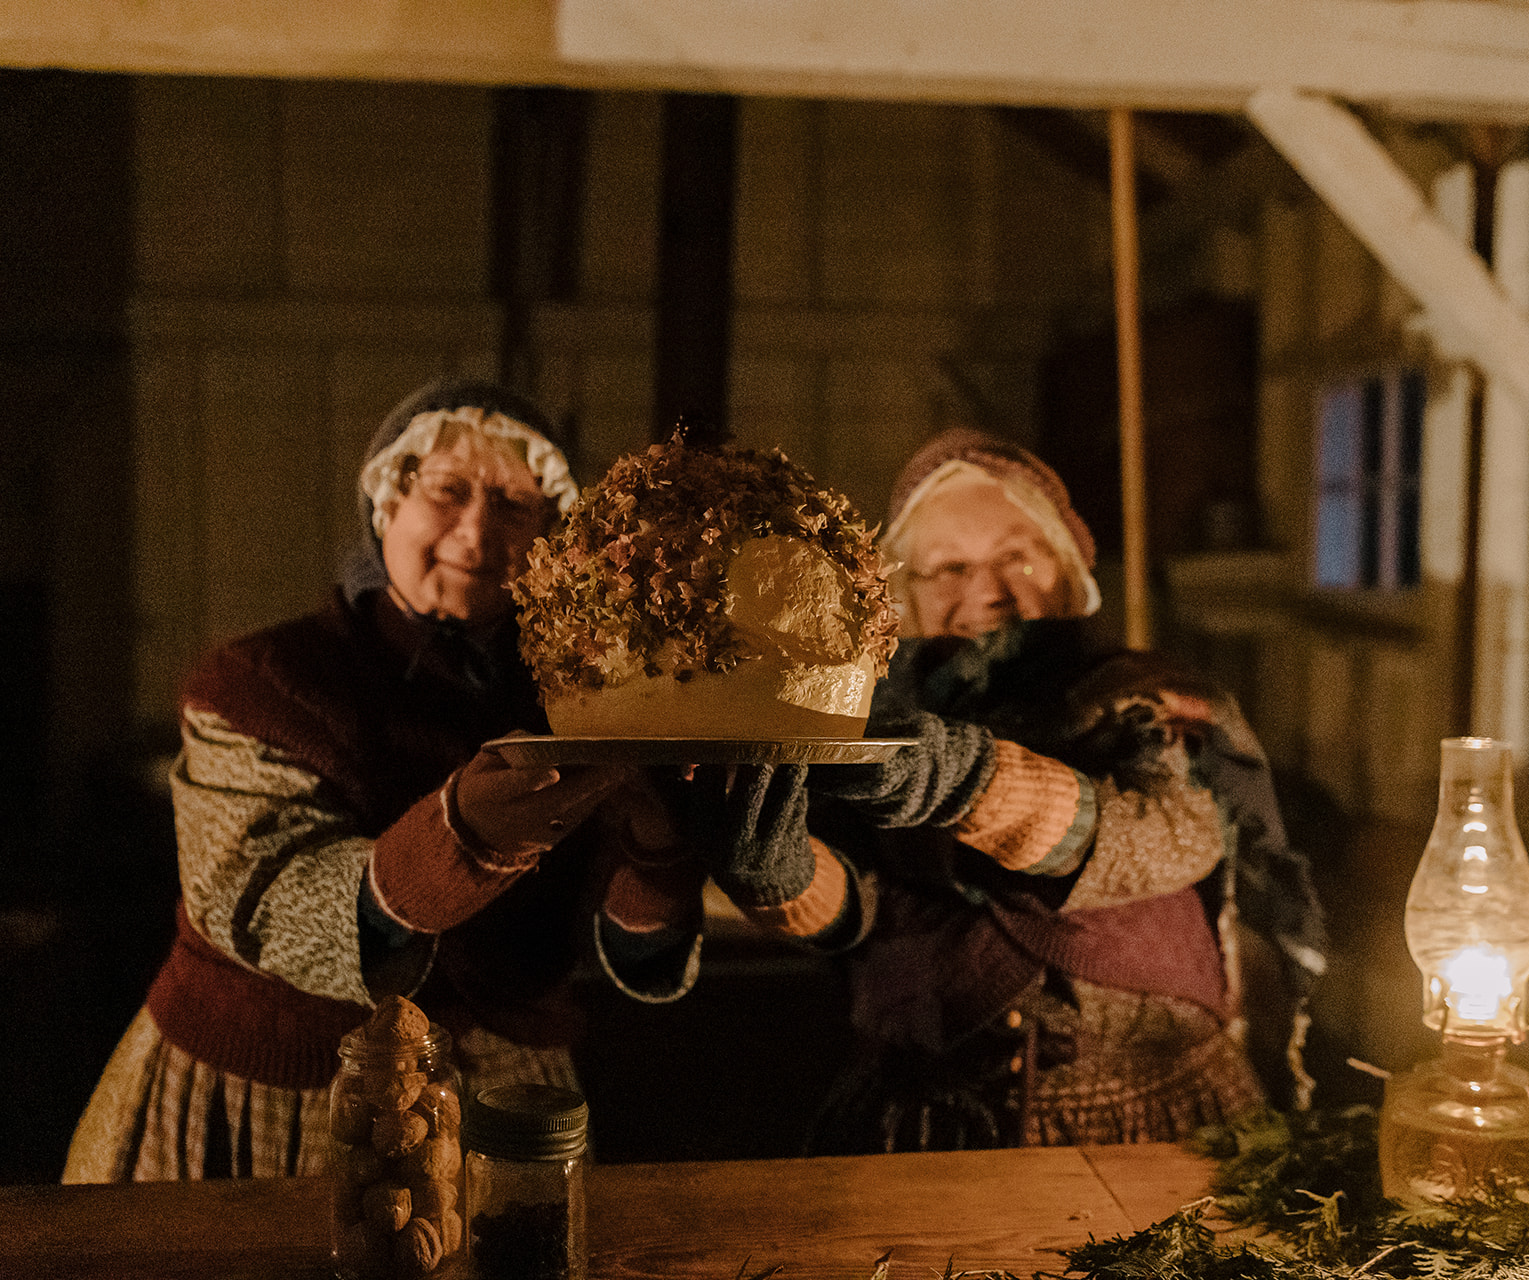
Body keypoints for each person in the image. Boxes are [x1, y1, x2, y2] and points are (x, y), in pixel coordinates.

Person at [63, 378, 700, 1182]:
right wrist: (461, 838)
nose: (476, 529)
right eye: (448, 492)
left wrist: (658, 845)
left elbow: (624, 944)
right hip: (280, 1093)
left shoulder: (581, 701)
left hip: (496, 1097)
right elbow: (262, 900)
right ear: (388, 505)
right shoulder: (265, 681)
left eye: (514, 505)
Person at [693, 427, 1326, 1152]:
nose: (985, 593)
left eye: (1015, 558)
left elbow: (1163, 835)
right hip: (918, 1126)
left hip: (1155, 1128)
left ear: (1066, 569)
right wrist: (781, 875)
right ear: (902, 593)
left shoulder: (1147, 701)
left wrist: (956, 778)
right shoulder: (870, 718)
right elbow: (864, 902)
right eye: (949, 568)